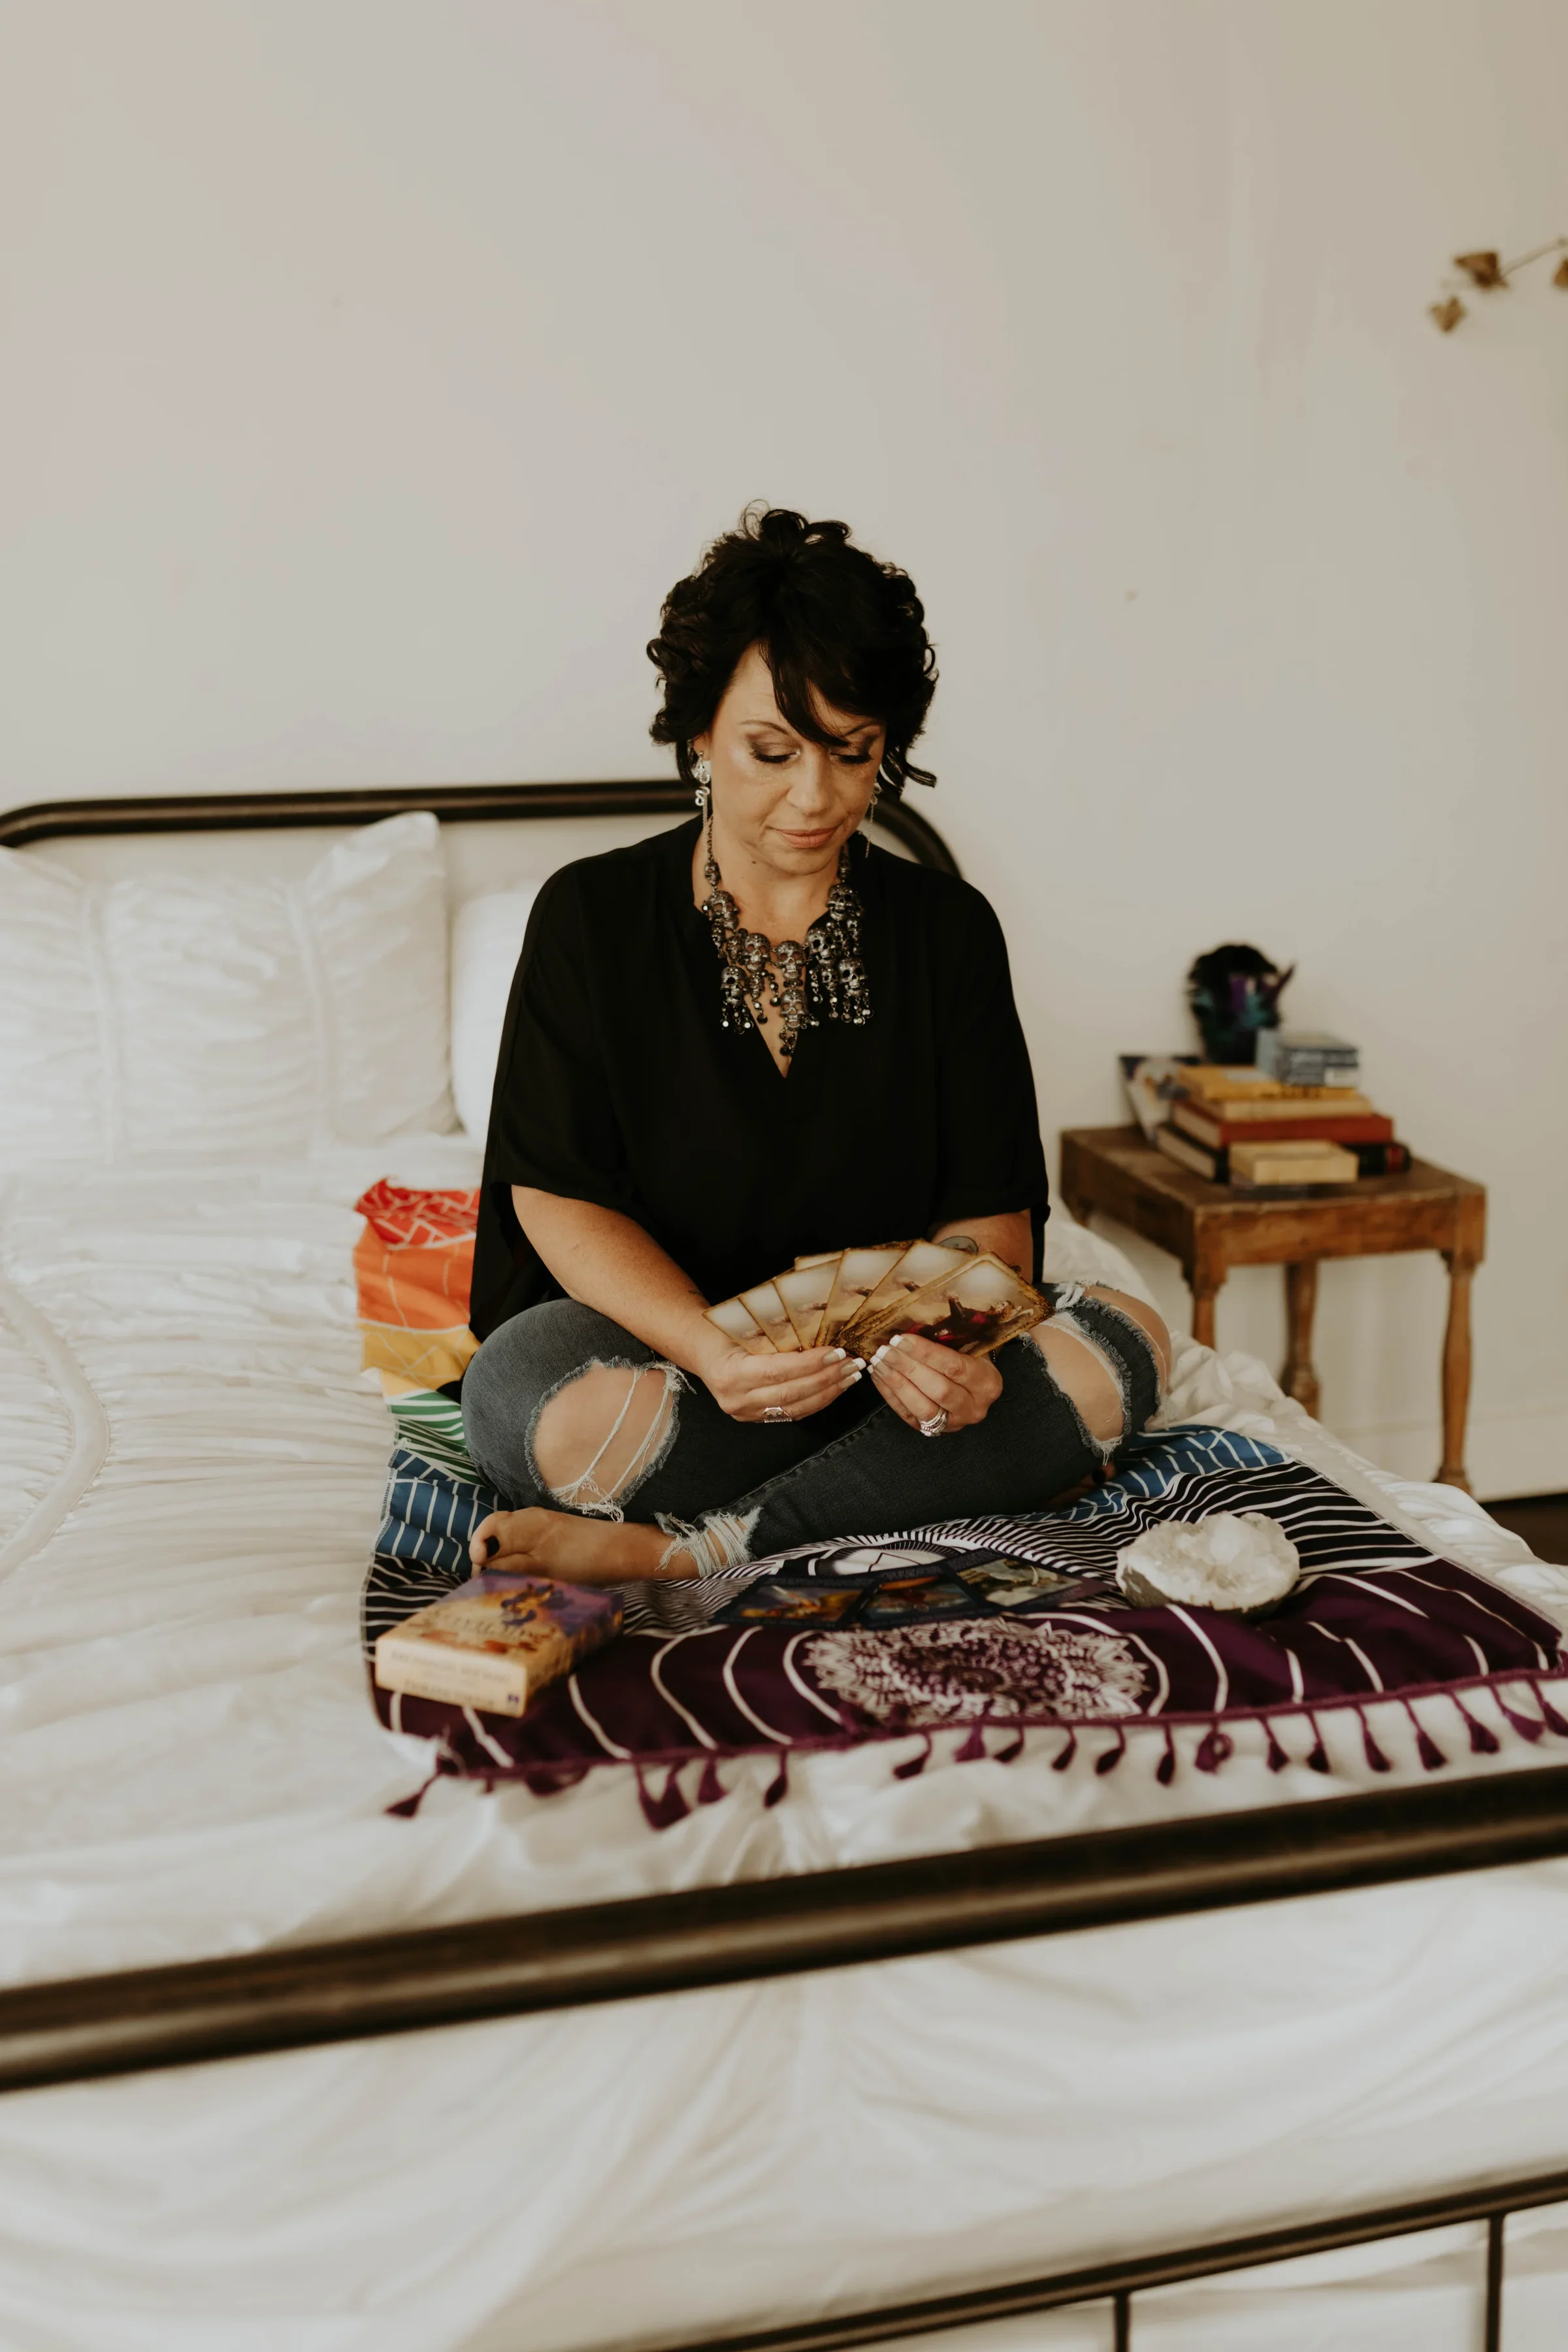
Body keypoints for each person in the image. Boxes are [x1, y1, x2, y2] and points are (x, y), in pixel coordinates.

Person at [461, 508, 1168, 1586]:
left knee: (1123, 1340)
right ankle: (879, 1495)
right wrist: (713, 1350)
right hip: (679, 1374)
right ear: (698, 732)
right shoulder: (590, 917)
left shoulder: (947, 931)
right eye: (771, 750)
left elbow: (992, 1210)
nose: (818, 797)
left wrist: (953, 1359)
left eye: (855, 753)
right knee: (525, 1391)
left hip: (893, 1374)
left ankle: (690, 1551)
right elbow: (554, 1192)